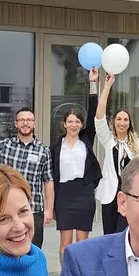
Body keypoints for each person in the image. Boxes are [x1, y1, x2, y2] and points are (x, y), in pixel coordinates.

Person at [0, 105, 53, 248]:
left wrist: (49, 209)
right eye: (21, 120)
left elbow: (48, 181)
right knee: (8, 250)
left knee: (33, 252)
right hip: (6, 210)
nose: (25, 123)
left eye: (29, 120)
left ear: (34, 123)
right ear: (16, 123)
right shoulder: (4, 146)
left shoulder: (44, 151)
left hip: (33, 210)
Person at [91, 70, 139, 236]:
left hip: (130, 195)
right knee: (110, 235)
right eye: (118, 119)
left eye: (125, 119)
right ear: (114, 122)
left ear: (130, 123)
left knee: (126, 233)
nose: (122, 123)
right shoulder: (108, 140)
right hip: (110, 194)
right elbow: (99, 116)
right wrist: (107, 87)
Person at [52, 101, 100, 261]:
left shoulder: (86, 140)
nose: (74, 125)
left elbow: (94, 115)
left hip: (84, 193)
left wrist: (94, 90)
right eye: (70, 121)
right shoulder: (56, 147)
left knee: (82, 243)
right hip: (64, 195)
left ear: (82, 124)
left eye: (77, 121)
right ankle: (66, 273)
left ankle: (80, 274)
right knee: (65, 243)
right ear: (64, 124)